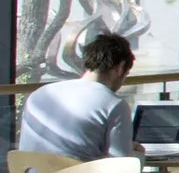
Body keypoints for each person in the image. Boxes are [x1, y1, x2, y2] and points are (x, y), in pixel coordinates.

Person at [19, 32, 136, 160]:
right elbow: (120, 163)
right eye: (127, 73)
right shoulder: (114, 104)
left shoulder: (40, 93)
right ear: (120, 67)